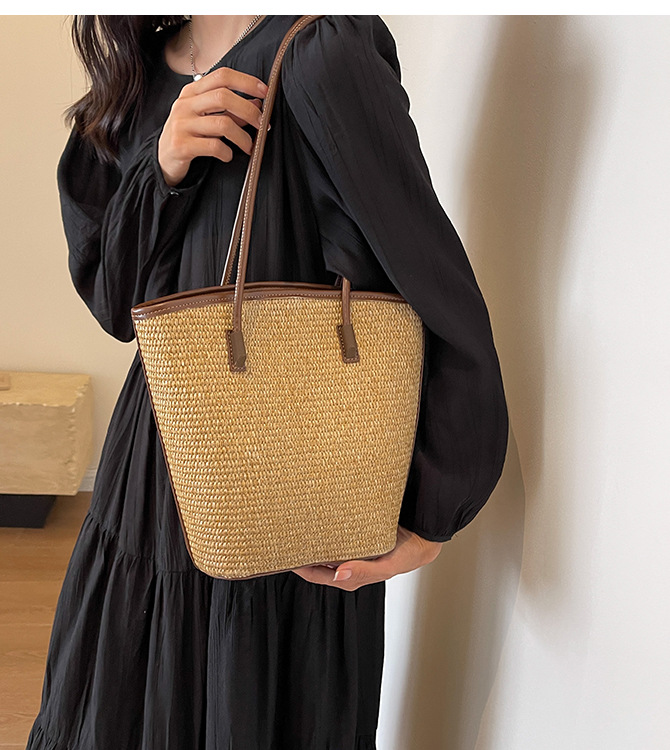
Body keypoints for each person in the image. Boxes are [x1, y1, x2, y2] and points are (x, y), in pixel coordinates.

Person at [25, 14, 508, 750]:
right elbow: (113, 300)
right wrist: (163, 166)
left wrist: (432, 504)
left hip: (283, 480)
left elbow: (426, 279)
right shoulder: (138, 78)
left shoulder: (320, 53)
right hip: (151, 473)